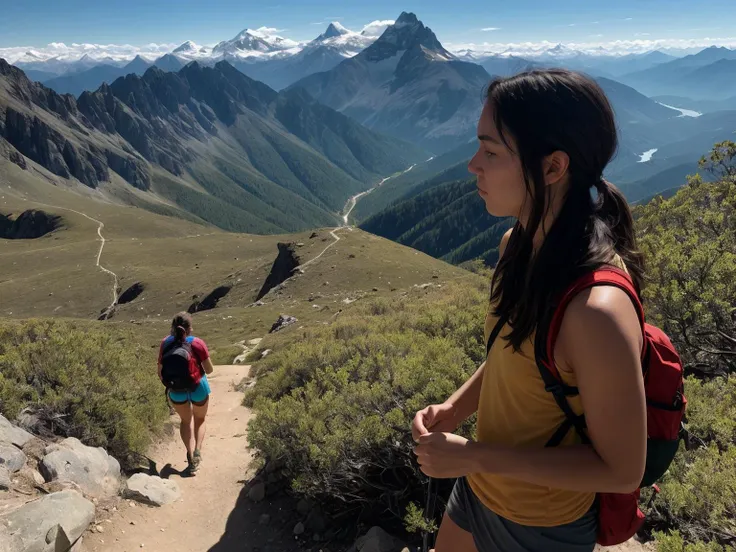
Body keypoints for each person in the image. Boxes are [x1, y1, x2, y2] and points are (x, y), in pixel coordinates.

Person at [411, 69, 648, 552]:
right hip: (481, 487)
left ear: (553, 167)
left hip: (542, 523)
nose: (473, 164)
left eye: (491, 151)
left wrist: (475, 456)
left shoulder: (596, 311)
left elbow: (623, 470)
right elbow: (513, 354)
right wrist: (457, 409)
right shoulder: (516, 246)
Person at [158, 312, 214, 474]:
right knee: (200, 419)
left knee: (185, 421)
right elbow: (209, 370)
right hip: (198, 387)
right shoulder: (197, 343)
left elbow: (160, 372)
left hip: (176, 390)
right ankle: (197, 450)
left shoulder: (165, 343)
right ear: (189, 328)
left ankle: (189, 454)